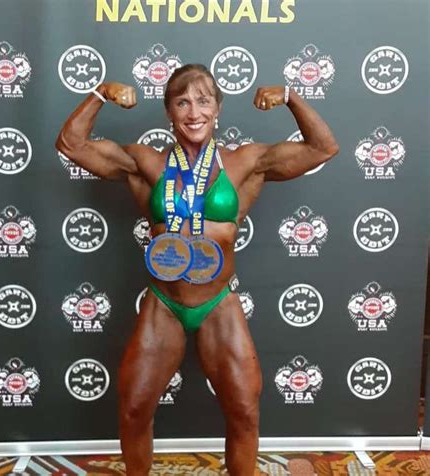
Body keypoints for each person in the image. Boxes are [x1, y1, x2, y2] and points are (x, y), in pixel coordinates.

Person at [56, 63, 339, 476]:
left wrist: (291, 97)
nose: (194, 112)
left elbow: (322, 148)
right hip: (165, 304)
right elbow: (72, 144)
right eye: (182, 102)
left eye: (203, 101)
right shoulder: (147, 164)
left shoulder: (244, 163)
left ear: (217, 109)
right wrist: (101, 92)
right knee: (134, 410)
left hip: (218, 303)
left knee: (244, 412)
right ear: (169, 112)